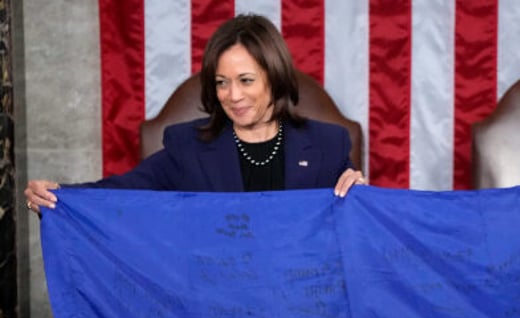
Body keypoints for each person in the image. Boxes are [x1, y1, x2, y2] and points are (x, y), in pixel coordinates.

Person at [24, 14, 364, 213]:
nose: (233, 96)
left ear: (274, 79)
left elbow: (357, 221)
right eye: (221, 83)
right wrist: (60, 196)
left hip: (304, 306)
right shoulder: (186, 146)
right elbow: (120, 193)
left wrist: (360, 195)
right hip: (215, 307)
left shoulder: (327, 144)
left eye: (246, 80)